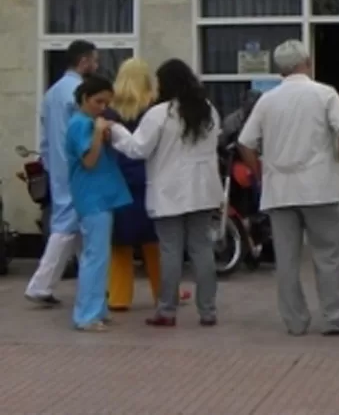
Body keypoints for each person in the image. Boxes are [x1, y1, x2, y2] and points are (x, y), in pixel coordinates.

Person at [237, 40, 339, 337]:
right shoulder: (324, 94)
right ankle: (334, 318)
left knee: (287, 260)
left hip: (279, 190)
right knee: (327, 255)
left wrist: (262, 173)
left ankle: (295, 321)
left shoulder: (267, 100)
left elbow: (245, 143)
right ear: (307, 61)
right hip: (320, 187)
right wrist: (336, 165)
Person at [108, 59, 222, 327]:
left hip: (169, 191)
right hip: (204, 189)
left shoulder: (160, 114)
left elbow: (138, 149)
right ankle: (208, 310)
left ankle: (167, 310)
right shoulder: (208, 110)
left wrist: (116, 131)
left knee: (170, 251)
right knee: (202, 250)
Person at [25, 40, 98, 306]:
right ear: (83, 61)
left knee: (77, 227)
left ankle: (93, 284)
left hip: (56, 165)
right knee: (67, 226)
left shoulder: (52, 93)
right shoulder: (79, 93)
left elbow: (45, 136)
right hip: (75, 165)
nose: (97, 65)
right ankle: (40, 284)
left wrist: (46, 160)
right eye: (94, 60)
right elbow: (84, 131)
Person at [65, 74, 132, 331]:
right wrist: (97, 134)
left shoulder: (87, 122)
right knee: (95, 256)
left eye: (106, 103)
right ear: (84, 99)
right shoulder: (81, 125)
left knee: (100, 255)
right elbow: (89, 161)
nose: (102, 108)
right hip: (92, 197)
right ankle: (86, 314)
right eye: (98, 102)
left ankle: (97, 309)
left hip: (100, 196)